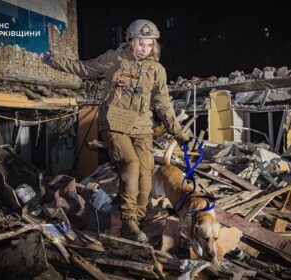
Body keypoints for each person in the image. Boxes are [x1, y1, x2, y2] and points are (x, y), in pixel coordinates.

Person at [42, 19, 189, 242]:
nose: (145, 49)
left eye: (150, 45)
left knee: (146, 170)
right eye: (141, 43)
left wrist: (177, 131)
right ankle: (129, 219)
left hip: (141, 126)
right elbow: (84, 69)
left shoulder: (156, 70)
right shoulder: (114, 59)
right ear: (130, 40)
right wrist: (53, 60)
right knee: (131, 165)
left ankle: (137, 219)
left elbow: (163, 103)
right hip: (115, 123)